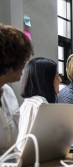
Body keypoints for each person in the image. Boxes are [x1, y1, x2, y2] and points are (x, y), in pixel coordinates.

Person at [0, 23, 33, 154]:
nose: (24, 67)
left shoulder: (8, 92)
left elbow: (12, 146)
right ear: (8, 59)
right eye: (22, 60)